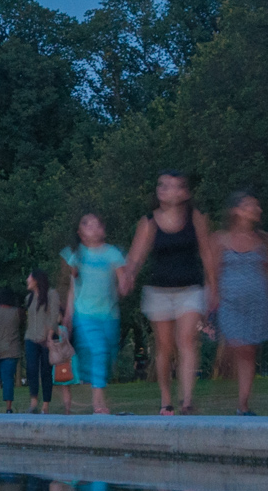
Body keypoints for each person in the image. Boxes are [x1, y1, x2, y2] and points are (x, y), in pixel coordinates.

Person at [122, 170, 217, 415]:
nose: (164, 189)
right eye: (161, 185)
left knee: (187, 341)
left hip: (190, 289)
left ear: (183, 192)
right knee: (164, 348)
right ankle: (166, 400)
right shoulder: (149, 222)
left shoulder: (195, 218)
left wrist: (213, 287)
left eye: (171, 185)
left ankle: (187, 401)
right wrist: (128, 275)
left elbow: (207, 254)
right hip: (158, 291)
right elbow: (136, 256)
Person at [62, 213, 128, 415]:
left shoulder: (112, 254)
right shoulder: (77, 257)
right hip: (85, 314)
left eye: (97, 224)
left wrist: (124, 284)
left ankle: (92, 378)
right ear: (80, 233)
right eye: (87, 225)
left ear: (103, 230)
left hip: (109, 315)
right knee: (98, 350)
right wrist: (68, 314)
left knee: (108, 354)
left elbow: (122, 279)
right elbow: (73, 288)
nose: (93, 227)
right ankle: (98, 402)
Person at [211, 191, 268, 415]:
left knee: (250, 351)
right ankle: (225, 363)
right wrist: (212, 295)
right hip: (229, 302)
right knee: (238, 344)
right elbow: (213, 272)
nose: (257, 210)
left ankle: (243, 405)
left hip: (257, 302)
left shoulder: (263, 240)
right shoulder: (220, 239)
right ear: (236, 210)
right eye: (250, 205)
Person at [24, 269, 59, 414]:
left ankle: (45, 404)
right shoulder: (29, 298)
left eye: (29, 277)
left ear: (36, 279)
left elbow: (54, 315)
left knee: (46, 371)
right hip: (31, 338)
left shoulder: (52, 294)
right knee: (31, 369)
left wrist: (49, 335)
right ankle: (33, 402)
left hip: (46, 339)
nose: (27, 280)